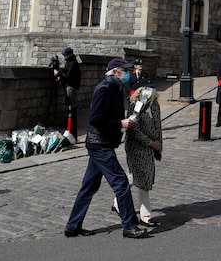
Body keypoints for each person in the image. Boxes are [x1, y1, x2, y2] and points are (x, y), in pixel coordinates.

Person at [64, 58, 147, 239]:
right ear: (115, 71)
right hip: (99, 144)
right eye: (124, 70)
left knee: (89, 186)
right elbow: (95, 119)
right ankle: (130, 225)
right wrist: (120, 123)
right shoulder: (105, 88)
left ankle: (72, 226)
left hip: (101, 143)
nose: (127, 73)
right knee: (121, 183)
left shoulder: (115, 87)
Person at [120, 85, 162, 227]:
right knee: (142, 179)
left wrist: (158, 146)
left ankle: (117, 202)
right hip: (136, 148)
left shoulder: (155, 107)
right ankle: (145, 215)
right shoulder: (134, 108)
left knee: (134, 176)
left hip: (150, 148)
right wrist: (151, 143)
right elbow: (134, 132)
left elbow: (158, 127)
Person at [55, 46, 82, 136]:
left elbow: (68, 76)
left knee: (71, 107)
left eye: (65, 55)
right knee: (69, 106)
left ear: (70, 54)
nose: (64, 57)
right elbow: (66, 71)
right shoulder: (70, 62)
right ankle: (68, 125)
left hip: (71, 87)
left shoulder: (73, 63)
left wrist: (59, 73)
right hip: (69, 86)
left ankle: (72, 128)